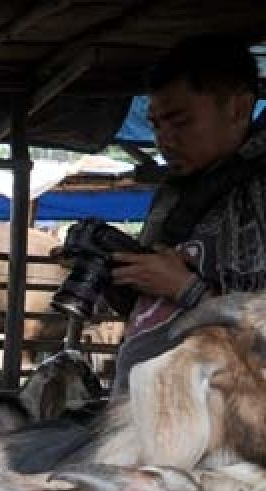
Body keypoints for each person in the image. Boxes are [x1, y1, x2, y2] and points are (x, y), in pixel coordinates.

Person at [106, 34, 265, 393]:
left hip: (235, 431)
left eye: (180, 122)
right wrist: (118, 275)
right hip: (160, 412)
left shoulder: (257, 192)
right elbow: (154, 311)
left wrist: (187, 289)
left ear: (238, 108)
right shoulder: (176, 192)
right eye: (157, 125)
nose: (164, 139)